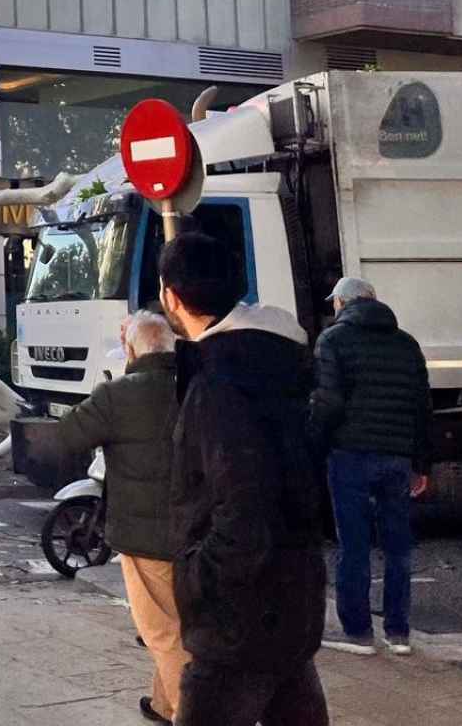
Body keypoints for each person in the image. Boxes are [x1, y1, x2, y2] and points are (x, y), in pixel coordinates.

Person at [158, 232, 328, 726]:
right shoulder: (276, 361)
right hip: (293, 598)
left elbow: (242, 502)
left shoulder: (219, 382)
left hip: (237, 618)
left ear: (171, 295)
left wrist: (197, 579)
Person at [50, 311, 188, 724]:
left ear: (130, 350)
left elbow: (67, 436)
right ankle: (163, 704)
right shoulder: (198, 384)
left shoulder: (120, 394)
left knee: (160, 631)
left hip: (146, 534)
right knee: (180, 621)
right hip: (200, 529)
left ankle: (191, 712)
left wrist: (106, 389)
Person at [309, 276, 432, 657]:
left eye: (335, 302)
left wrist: (312, 446)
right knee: (398, 547)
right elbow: (421, 407)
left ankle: (359, 632)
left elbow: (327, 402)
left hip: (350, 455)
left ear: (343, 303)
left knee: (354, 544)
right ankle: (399, 633)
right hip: (396, 457)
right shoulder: (406, 344)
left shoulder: (332, 340)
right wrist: (421, 463)